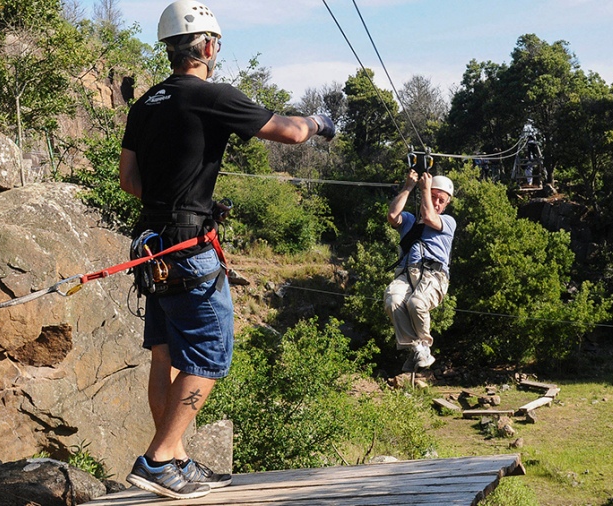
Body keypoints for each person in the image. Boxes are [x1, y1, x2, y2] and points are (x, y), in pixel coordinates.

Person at [118, 0, 335, 499]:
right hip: (188, 249)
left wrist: (173, 196)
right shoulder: (211, 95)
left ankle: (173, 457)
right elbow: (291, 131)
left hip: (151, 245)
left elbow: (130, 180)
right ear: (209, 46)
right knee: (210, 354)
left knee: (165, 351)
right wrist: (321, 121)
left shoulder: (145, 103)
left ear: (169, 48)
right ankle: (156, 460)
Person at [384, 171, 456, 373]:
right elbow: (392, 216)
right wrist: (408, 187)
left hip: (433, 276)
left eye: (441, 200)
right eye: (433, 197)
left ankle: (424, 344)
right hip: (407, 273)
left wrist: (425, 189)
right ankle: (416, 348)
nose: (436, 203)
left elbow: (429, 217)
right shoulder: (410, 221)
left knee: (416, 303)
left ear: (446, 205)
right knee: (393, 300)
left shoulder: (448, 223)